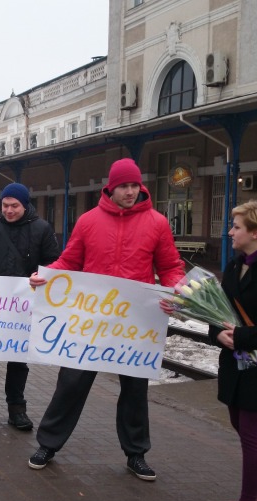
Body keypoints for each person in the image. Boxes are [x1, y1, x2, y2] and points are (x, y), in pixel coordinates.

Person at [26, 158, 184, 481]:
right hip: (92, 319)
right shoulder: (88, 221)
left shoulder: (157, 223)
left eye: (134, 185)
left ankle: (136, 453)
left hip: (135, 321)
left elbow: (170, 266)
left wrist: (176, 291)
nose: (130, 192)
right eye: (123, 186)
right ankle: (47, 444)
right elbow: (70, 261)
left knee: (135, 389)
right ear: (110, 188)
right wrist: (46, 275)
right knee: (71, 382)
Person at [163, 200, 257, 501]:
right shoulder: (236, 265)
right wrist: (206, 327)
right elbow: (220, 312)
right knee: (240, 423)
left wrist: (240, 337)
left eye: (236, 227)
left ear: (256, 233)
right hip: (234, 363)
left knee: (250, 435)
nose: (230, 232)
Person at [0, 182, 60, 430]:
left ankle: (17, 410)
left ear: (25, 205)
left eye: (14, 206)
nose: (9, 210)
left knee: (18, 361)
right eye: (5, 205)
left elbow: (53, 262)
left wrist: (42, 275)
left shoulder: (42, 229)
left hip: (24, 306)